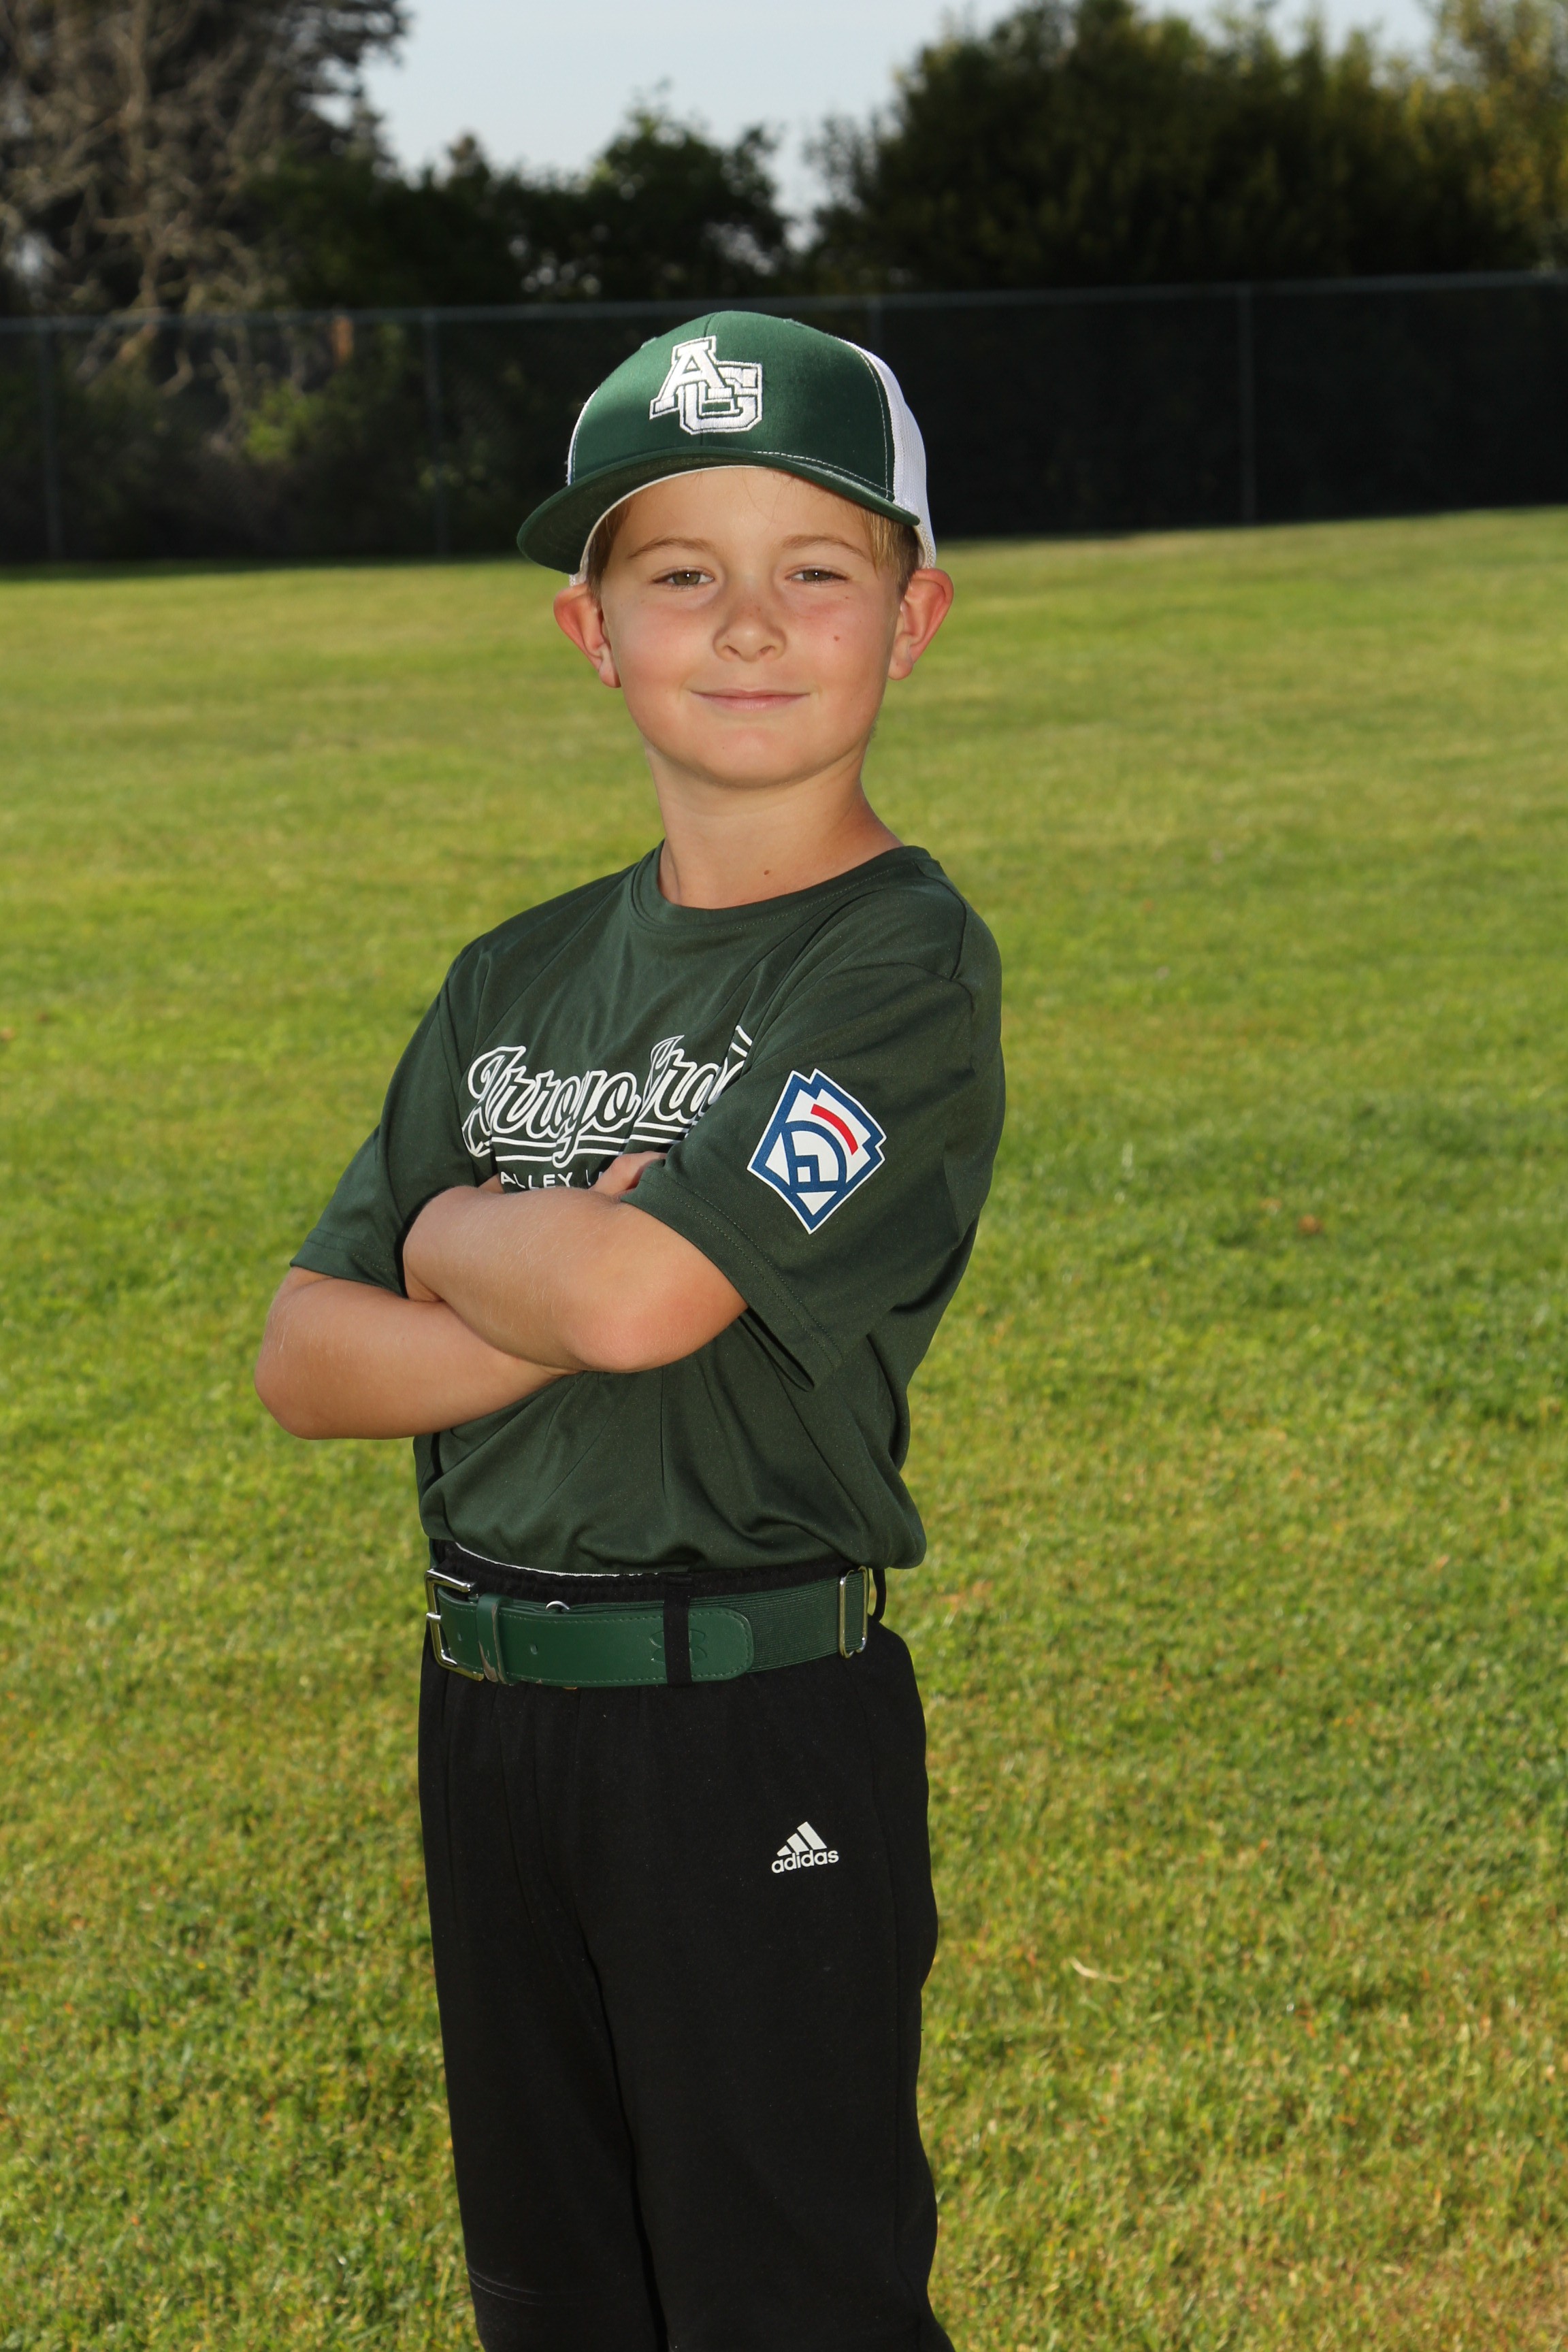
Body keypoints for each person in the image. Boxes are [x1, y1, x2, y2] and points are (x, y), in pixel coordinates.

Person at [255, 310, 1004, 2352]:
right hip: (495, 1718)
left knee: (786, 2302)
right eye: (681, 573)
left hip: (744, 1716)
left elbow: (645, 1293)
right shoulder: (516, 977)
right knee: (557, 2298)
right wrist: (536, 1261)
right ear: (594, 631)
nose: (747, 625)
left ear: (913, 618)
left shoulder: (897, 962)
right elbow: (306, 1356)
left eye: (815, 569)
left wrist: (460, 1240)